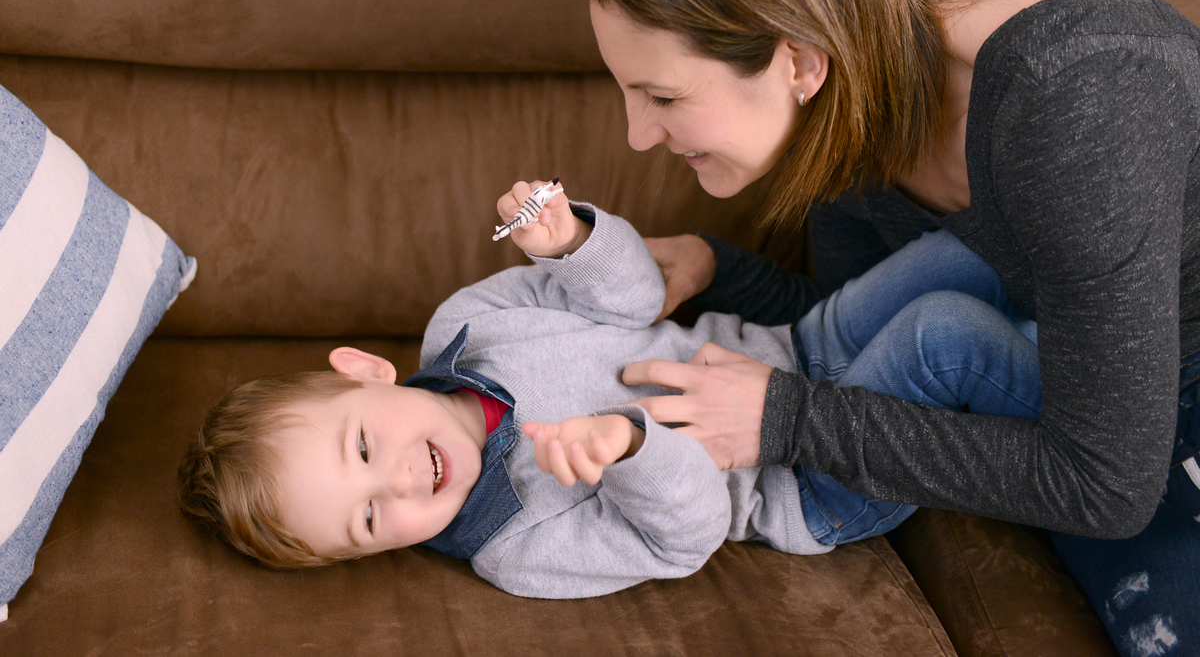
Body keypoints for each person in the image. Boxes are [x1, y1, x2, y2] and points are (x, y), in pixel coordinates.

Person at [560, 0, 1200, 651]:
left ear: (798, 62)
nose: (636, 135)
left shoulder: (1073, 105)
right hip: (1092, 388)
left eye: (662, 96)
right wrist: (716, 268)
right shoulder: (855, 103)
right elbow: (851, 326)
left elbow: (1105, 485)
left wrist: (788, 419)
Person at [177, 181, 1040, 599]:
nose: (400, 481)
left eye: (363, 446)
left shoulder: (467, 323)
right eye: (369, 519)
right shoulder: (515, 547)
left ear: (364, 369)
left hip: (793, 346)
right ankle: (1096, 418)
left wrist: (574, 244)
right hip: (811, 478)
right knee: (942, 333)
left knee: (962, 253)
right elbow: (685, 539)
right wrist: (632, 448)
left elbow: (632, 299)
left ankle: (1088, 329)